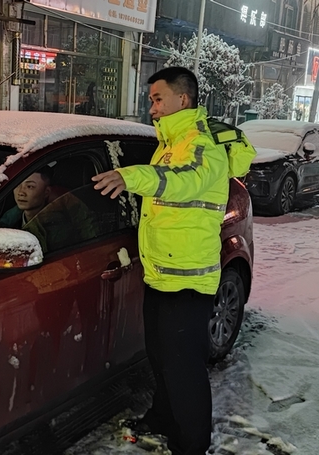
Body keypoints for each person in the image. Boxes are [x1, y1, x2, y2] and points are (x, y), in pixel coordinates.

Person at [92, 66, 242, 454]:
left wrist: (131, 177)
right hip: (162, 274)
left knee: (184, 371)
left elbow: (181, 181)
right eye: (151, 100)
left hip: (189, 283)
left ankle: (191, 445)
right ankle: (162, 416)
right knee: (161, 358)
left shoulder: (201, 146)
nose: (152, 107)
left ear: (183, 99)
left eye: (158, 98)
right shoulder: (169, 142)